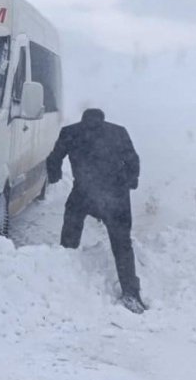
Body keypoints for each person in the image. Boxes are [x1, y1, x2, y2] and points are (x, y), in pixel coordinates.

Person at [46, 108, 146, 314]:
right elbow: (133, 160)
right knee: (122, 244)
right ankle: (130, 292)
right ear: (103, 120)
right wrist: (131, 181)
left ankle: (63, 273)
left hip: (84, 192)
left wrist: (54, 175)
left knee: (71, 228)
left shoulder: (70, 132)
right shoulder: (118, 132)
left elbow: (54, 158)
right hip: (116, 195)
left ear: (83, 119)